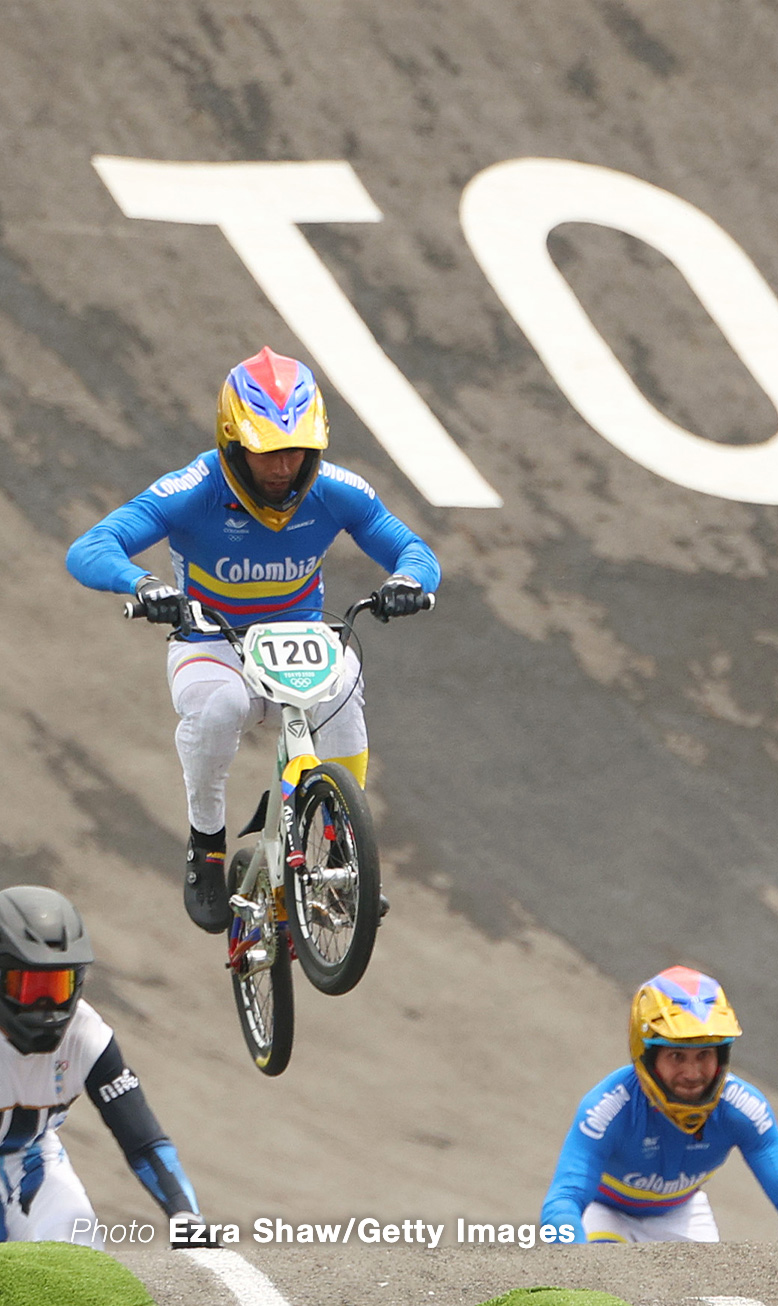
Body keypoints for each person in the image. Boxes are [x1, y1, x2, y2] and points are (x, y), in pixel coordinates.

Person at [65, 348, 439, 934]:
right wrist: (142, 582)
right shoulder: (194, 488)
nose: (283, 469)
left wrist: (409, 582)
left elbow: (413, 550)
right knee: (221, 708)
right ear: (234, 443)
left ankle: (343, 856)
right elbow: (90, 546)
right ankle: (205, 844)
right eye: (267, 454)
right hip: (211, 642)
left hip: (302, 637)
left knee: (343, 691)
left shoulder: (339, 490)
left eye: (296, 451)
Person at [541, 966, 778, 1244]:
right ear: (648, 1056)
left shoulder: (744, 1107)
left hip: (681, 1213)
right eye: (677, 1056)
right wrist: (572, 1268)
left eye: (704, 1054)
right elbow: (563, 1200)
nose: (693, 1075)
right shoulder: (607, 1108)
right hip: (603, 1212)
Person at [0, 885, 201, 1241]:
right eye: (31, 988)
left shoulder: (86, 1036)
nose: (46, 1008)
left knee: (79, 1252)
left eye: (58, 987)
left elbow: (144, 1142)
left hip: (30, 1160)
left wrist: (185, 1215)